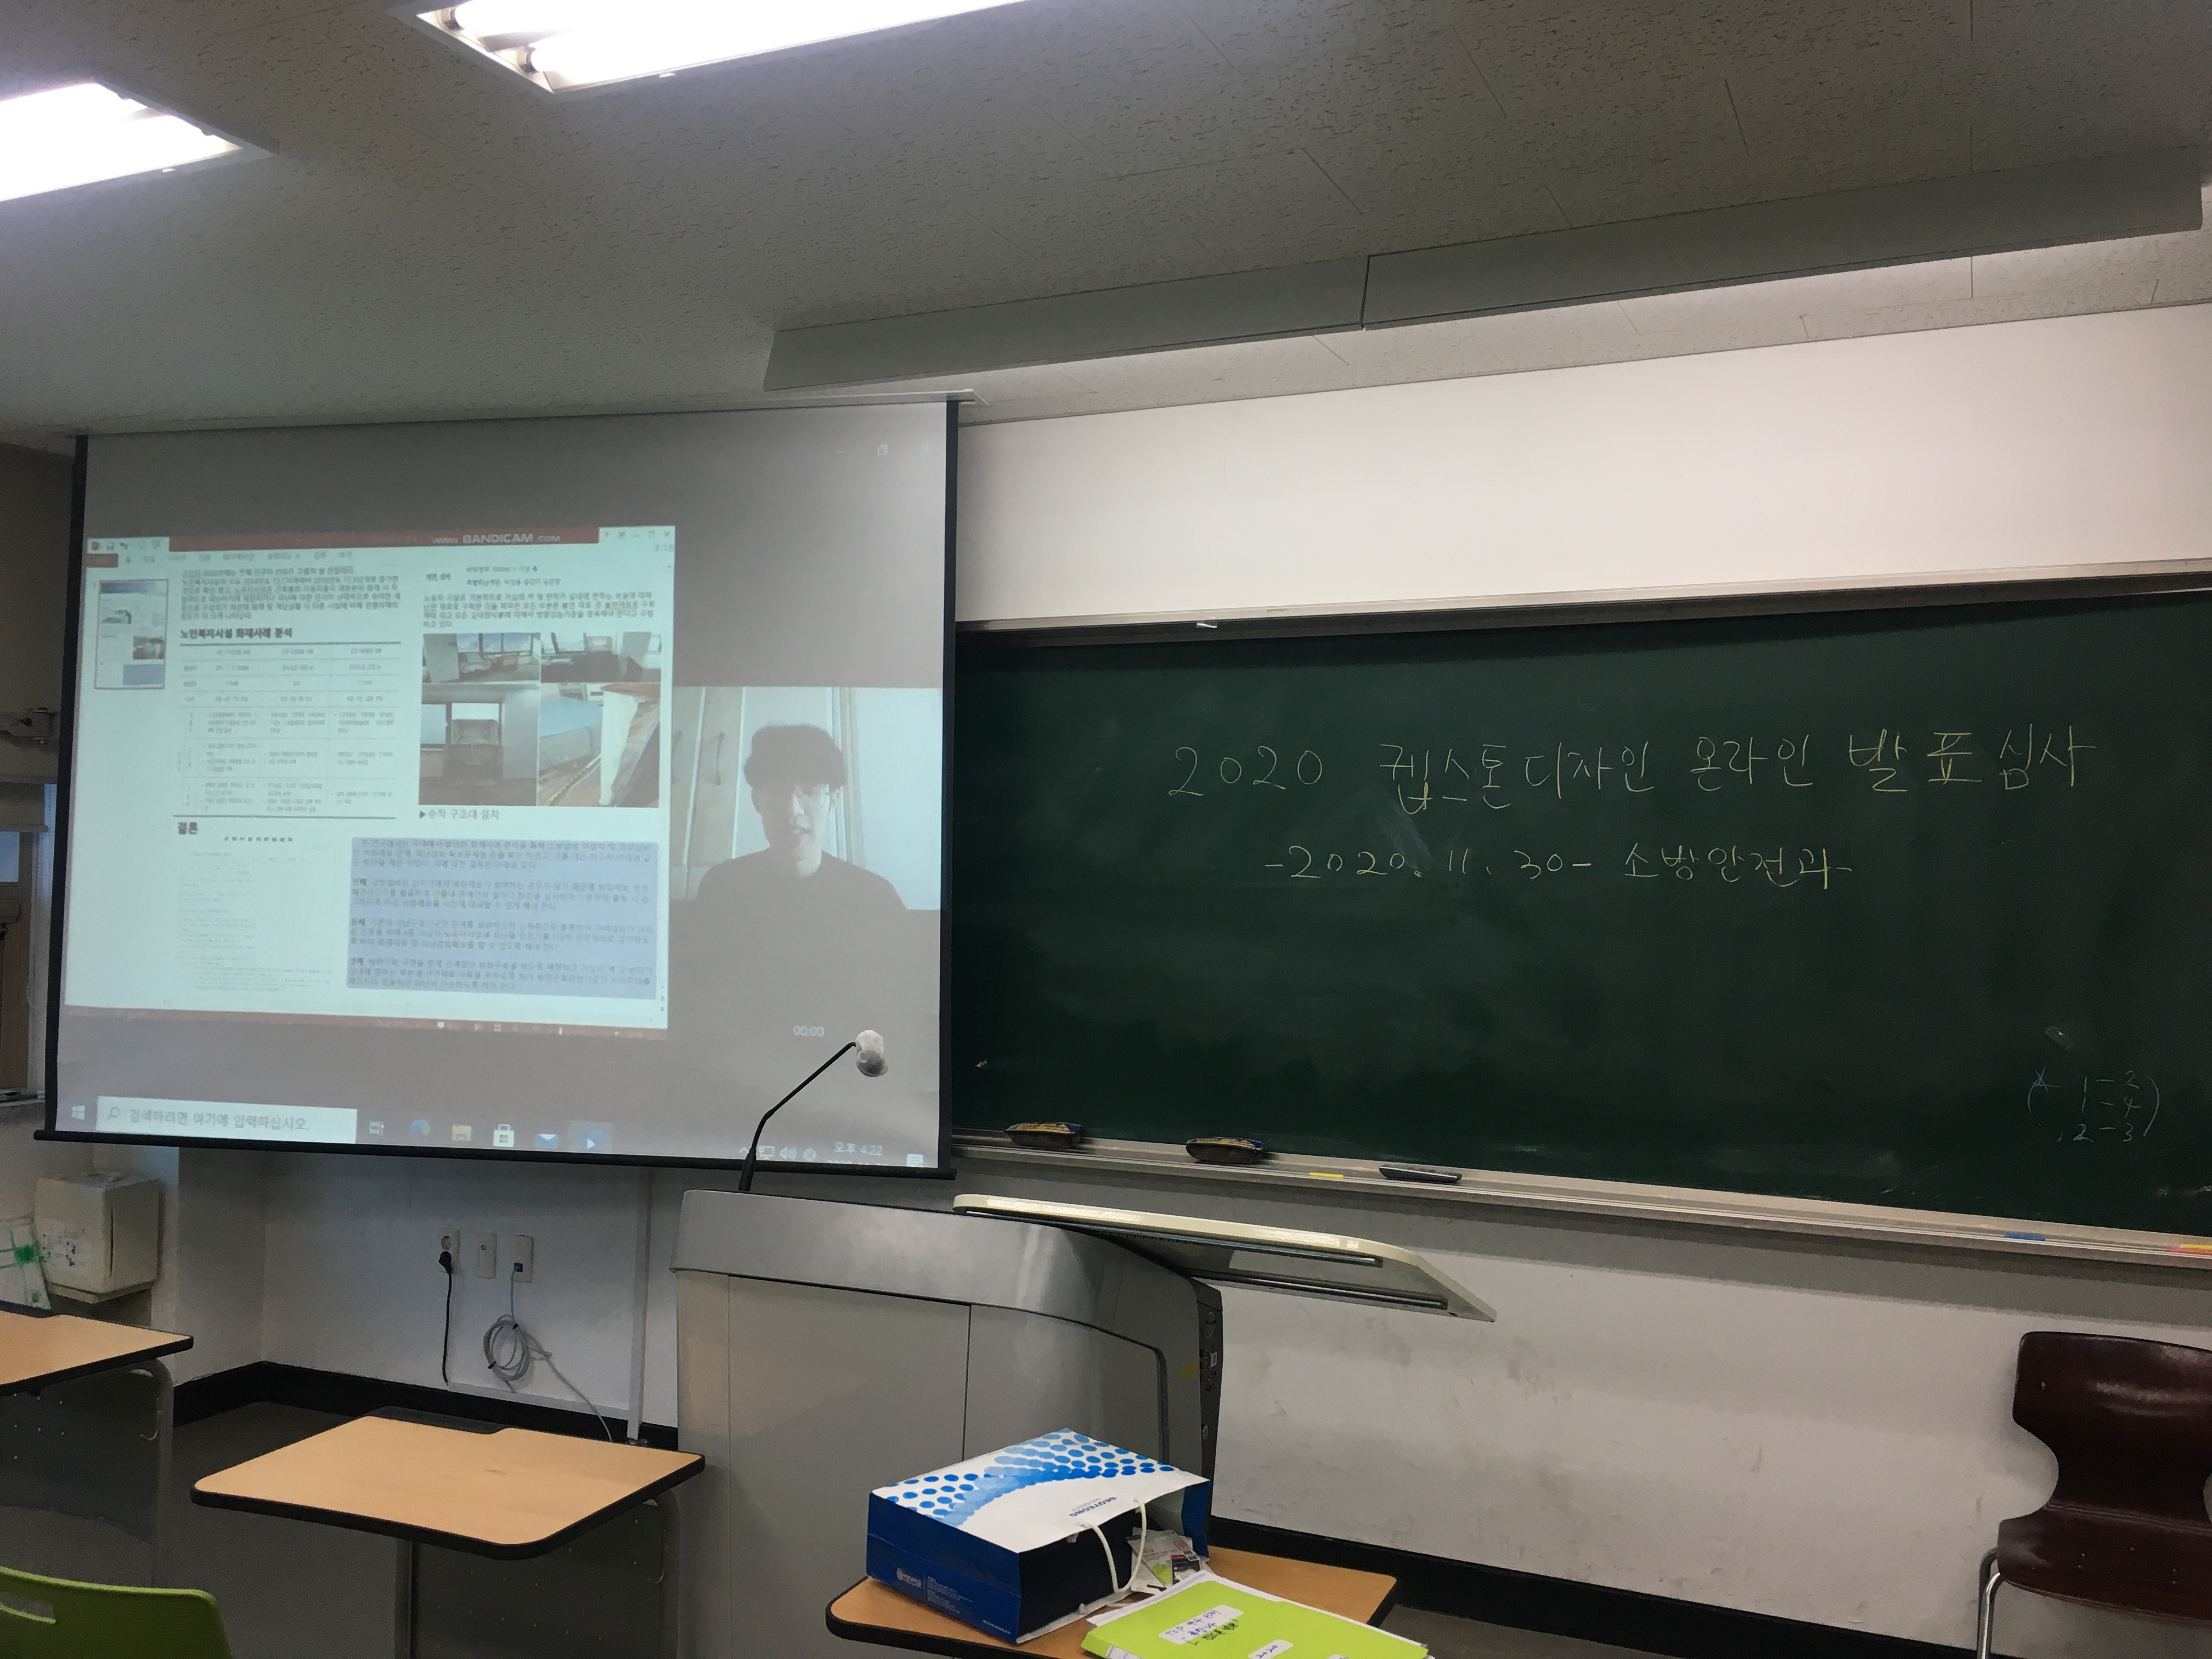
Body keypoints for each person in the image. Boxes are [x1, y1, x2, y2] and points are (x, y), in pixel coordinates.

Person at [695, 723, 905, 928]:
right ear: (756, 800)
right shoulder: (723, 886)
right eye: (776, 791)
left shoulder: (875, 898)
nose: (792, 810)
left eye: (810, 791)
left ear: (833, 801)